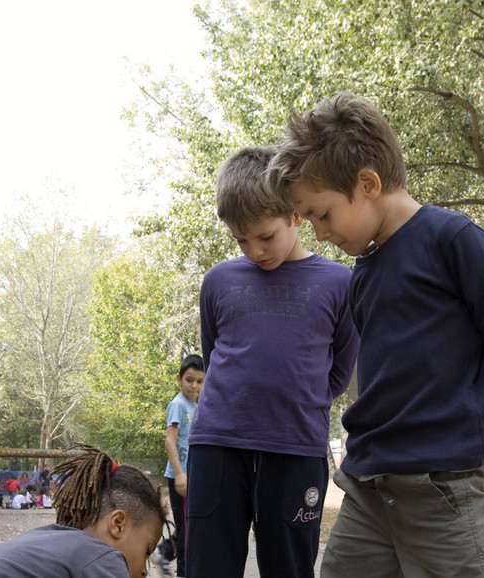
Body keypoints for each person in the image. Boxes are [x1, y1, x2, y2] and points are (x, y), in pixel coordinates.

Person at [267, 92, 484, 577]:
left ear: (368, 183)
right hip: (369, 488)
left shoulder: (452, 240)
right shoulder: (363, 274)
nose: (319, 233)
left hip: (444, 486)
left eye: (323, 214)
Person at [184, 146, 360, 578]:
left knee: (290, 569)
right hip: (218, 447)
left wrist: (294, 402)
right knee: (207, 567)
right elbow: (215, 356)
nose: (254, 251)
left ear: (296, 215)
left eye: (265, 236)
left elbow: (338, 372)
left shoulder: (341, 283)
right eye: (241, 240)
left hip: (295, 449)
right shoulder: (218, 281)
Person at [0, 443, 167, 578]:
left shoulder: (47, 541)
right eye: (146, 551)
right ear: (118, 524)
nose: (144, 571)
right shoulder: (103, 557)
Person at [159, 354, 204, 577]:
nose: (194, 385)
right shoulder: (177, 405)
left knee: (189, 527)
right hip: (181, 477)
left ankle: (163, 552)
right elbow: (170, 440)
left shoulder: (196, 406)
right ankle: (184, 572)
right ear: (179, 379)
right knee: (187, 532)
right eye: (189, 380)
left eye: (199, 381)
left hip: (194, 476)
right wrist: (179, 474)